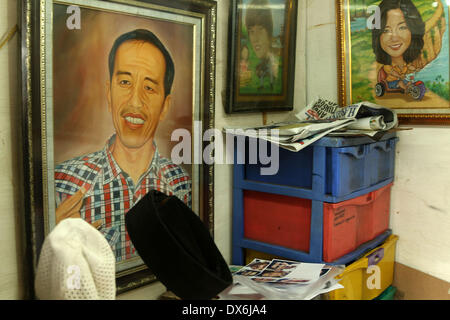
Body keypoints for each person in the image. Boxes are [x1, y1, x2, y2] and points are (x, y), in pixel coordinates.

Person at [54, 29, 192, 262]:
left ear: (165, 106)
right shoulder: (64, 184)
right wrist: (54, 241)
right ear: (109, 93)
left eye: (149, 87)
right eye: (125, 82)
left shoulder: (181, 185)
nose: (135, 101)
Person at [372, 0, 425, 91]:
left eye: (402, 27)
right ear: (378, 35)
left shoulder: (411, 63)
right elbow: (391, 72)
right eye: (386, 30)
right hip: (392, 83)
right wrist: (399, 76)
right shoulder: (387, 67)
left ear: (413, 30)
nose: (394, 38)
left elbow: (410, 69)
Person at [243, 0, 280, 91]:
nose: (255, 39)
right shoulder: (250, 65)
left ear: (269, 33)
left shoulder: (277, 65)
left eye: (260, 29)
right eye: (251, 31)